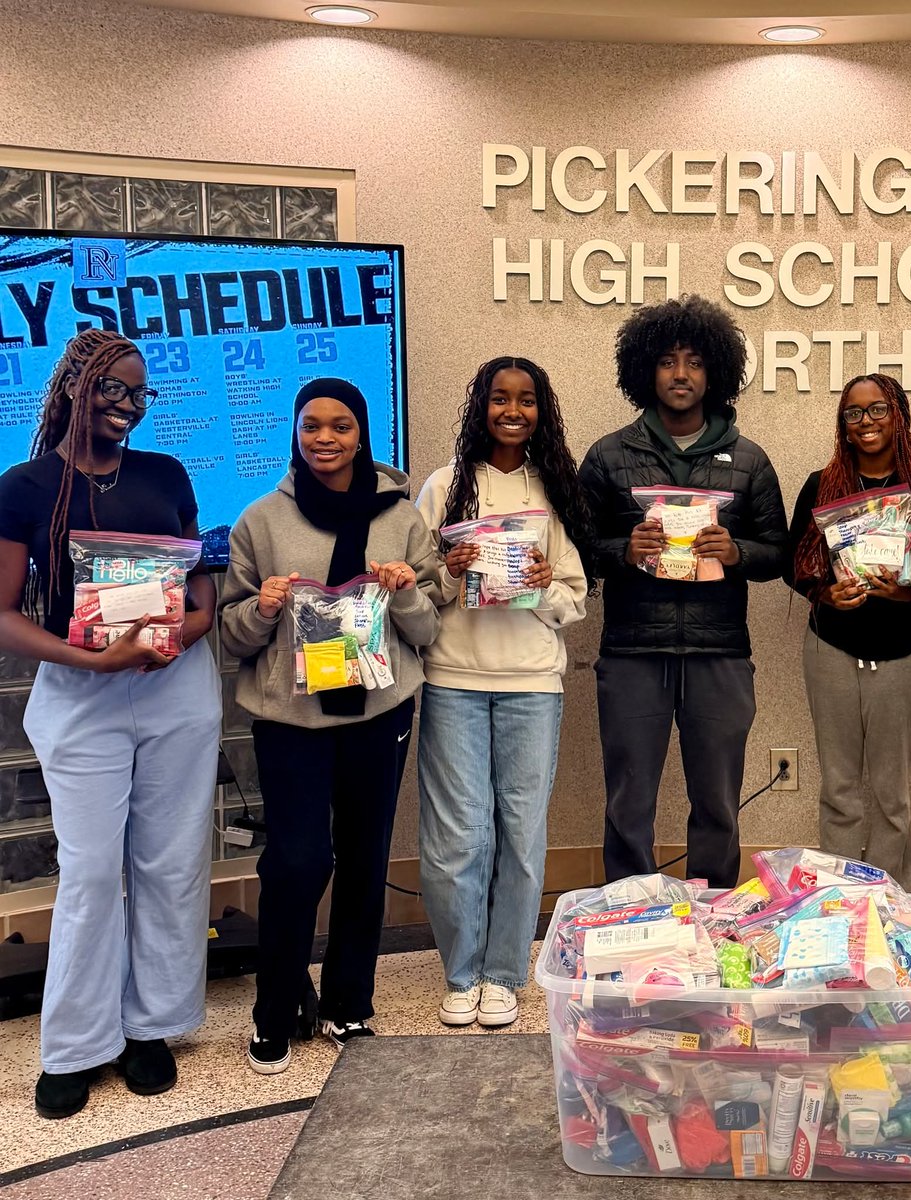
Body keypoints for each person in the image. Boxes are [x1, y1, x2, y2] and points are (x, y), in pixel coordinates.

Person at [0, 329, 221, 1119]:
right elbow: (2, 617)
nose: (127, 406)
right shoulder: (24, 485)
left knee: (168, 864)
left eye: (138, 393)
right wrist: (88, 659)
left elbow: (201, 596)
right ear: (71, 387)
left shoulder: (166, 473)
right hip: (80, 688)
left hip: (173, 687)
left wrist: (180, 637)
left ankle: (150, 1028)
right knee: (93, 872)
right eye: (112, 390)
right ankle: (74, 1045)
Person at [219, 377, 439, 1074]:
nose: (324, 439)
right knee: (296, 861)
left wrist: (404, 594)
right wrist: (261, 608)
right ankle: (276, 1009)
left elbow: (431, 625)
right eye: (311, 425)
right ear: (294, 430)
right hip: (292, 721)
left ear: (361, 433)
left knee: (367, 859)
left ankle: (349, 1003)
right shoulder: (260, 520)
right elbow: (230, 638)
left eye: (340, 426)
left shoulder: (402, 517)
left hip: (378, 713)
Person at [578, 295, 788, 890]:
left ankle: (717, 922)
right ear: (644, 368)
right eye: (668, 361)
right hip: (631, 654)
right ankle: (630, 915)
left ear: (714, 372)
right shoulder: (608, 455)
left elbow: (780, 551)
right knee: (628, 803)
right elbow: (574, 545)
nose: (680, 374)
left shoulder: (748, 461)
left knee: (719, 804)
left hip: (719, 653)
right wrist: (623, 550)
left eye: (694, 362)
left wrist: (738, 552)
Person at [415, 356, 590, 1028]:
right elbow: (415, 593)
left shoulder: (556, 492)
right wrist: (448, 567)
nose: (512, 411)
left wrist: (543, 583)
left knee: (520, 832)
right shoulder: (442, 489)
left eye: (526, 400)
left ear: (541, 411)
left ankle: (503, 974)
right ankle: (460, 973)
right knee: (458, 836)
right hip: (454, 678)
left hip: (532, 686)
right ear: (480, 407)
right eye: (498, 398)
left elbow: (574, 599)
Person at [787, 374, 911, 889]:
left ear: (900, 414)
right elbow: (794, 565)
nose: (866, 423)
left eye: (878, 410)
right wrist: (824, 593)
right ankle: (837, 903)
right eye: (853, 413)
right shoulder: (822, 485)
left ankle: (891, 904)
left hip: (902, 654)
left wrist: (907, 592)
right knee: (839, 788)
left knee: (892, 794)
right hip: (832, 650)